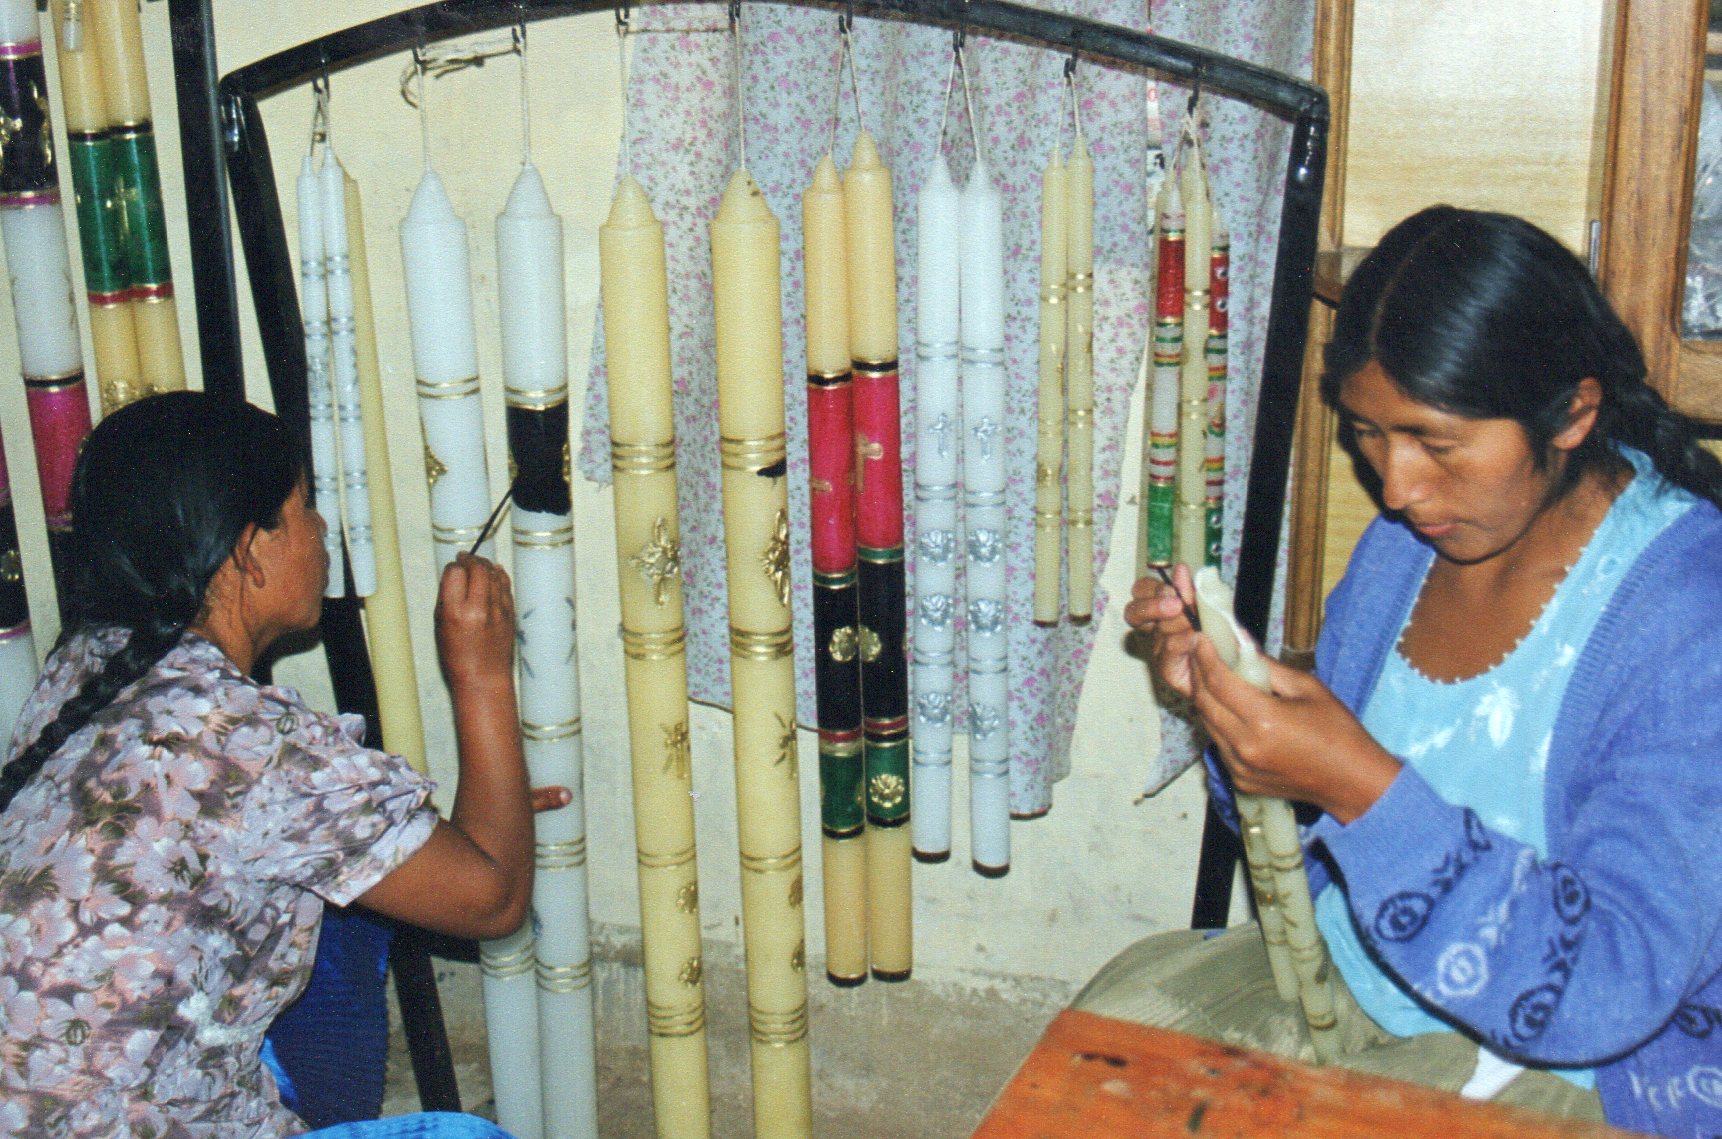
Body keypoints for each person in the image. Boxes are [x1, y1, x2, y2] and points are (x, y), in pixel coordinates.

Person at [1081, 205, 1722, 1138]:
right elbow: (1316, 829)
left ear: (1574, 412)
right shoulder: (1403, 552)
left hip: (1588, 1057)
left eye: (1438, 442)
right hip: (1358, 974)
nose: (1397, 486)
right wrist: (1241, 706)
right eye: (1370, 434)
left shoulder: (1688, 617)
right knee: (1100, 1058)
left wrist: (1359, 784)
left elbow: (1613, 982)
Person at [0, 391, 551, 1137]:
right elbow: (494, 899)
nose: (321, 528)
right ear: (249, 551)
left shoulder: (88, 662)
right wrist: (481, 675)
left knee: (341, 919)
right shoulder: (252, 744)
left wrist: (412, 829)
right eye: (302, 507)